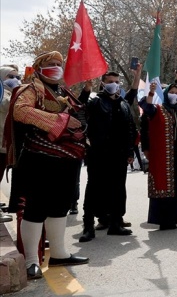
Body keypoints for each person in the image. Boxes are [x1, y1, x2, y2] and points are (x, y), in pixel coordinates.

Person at [4, 51, 89, 278]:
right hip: (39, 158)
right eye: (51, 64)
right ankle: (32, 260)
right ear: (39, 67)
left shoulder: (64, 91)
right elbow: (21, 112)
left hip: (67, 158)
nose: (56, 67)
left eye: (59, 64)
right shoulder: (30, 89)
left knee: (60, 206)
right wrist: (61, 120)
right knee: (35, 208)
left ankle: (59, 253)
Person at [78, 67, 141, 242]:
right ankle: (88, 227)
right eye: (110, 82)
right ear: (103, 84)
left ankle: (115, 223)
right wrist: (86, 89)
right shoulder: (95, 101)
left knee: (118, 189)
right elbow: (79, 108)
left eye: (116, 81)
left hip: (119, 155)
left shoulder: (123, 103)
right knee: (94, 189)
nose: (114, 85)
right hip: (99, 154)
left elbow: (129, 129)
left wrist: (130, 152)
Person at [140, 83, 177, 230]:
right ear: (166, 94)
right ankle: (162, 220)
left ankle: (176, 218)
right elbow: (146, 108)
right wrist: (151, 94)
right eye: (171, 92)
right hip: (162, 155)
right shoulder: (157, 110)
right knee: (162, 184)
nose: (174, 95)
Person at [0, 66, 20, 223]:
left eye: (17, 76)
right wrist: (17, 92)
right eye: (10, 76)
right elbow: (7, 105)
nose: (15, 79)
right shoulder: (2, 93)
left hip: (5, 145)